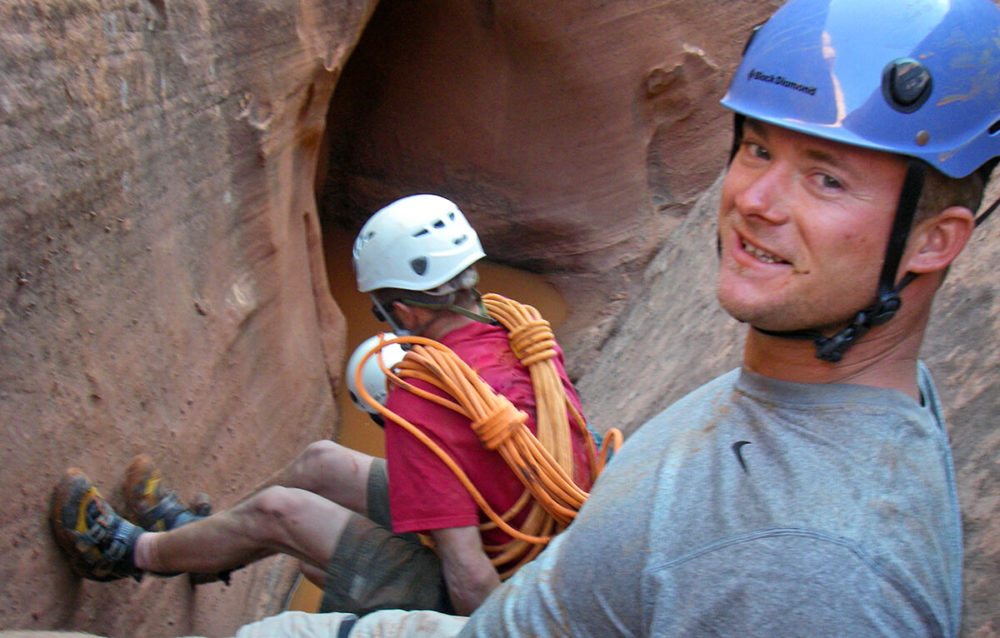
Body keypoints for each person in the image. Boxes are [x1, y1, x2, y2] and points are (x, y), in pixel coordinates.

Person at [323, 0, 1000, 635]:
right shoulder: (817, 403)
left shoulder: (815, 572)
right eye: (759, 148)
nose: (754, 199)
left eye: (826, 178)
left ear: (933, 240)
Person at [49, 194, 597, 617]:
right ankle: (199, 539)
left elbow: (468, 574)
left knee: (279, 513)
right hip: (522, 523)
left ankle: (129, 554)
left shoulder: (426, 394)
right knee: (320, 464)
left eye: (380, 310)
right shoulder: (519, 329)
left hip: (492, 589)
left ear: (403, 313)